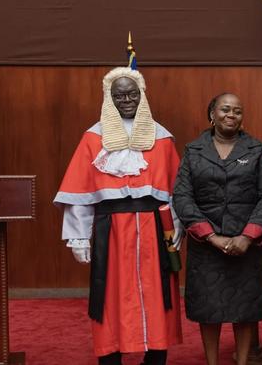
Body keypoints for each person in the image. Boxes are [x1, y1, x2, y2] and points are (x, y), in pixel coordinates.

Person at [54, 66, 183, 365]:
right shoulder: (92, 138)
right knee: (111, 296)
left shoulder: (161, 138)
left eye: (132, 94)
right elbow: (80, 194)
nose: (126, 99)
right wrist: (78, 238)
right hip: (109, 231)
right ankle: (110, 356)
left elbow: (176, 191)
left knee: (155, 295)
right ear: (109, 98)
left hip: (152, 230)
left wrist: (175, 229)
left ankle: (155, 356)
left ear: (142, 96)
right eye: (119, 95)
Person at [172, 93, 262, 365]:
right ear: (212, 114)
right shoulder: (194, 150)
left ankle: (242, 361)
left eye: (238, 111)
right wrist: (210, 236)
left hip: (247, 246)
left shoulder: (256, 149)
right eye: (225, 109)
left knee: (244, 310)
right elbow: (182, 197)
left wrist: (247, 236)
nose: (232, 115)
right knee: (209, 310)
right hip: (206, 247)